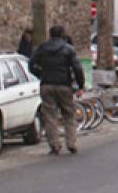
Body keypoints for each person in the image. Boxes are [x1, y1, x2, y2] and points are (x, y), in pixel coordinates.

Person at [29, 24, 86, 155]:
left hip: (46, 84)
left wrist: (40, 74)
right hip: (64, 84)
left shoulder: (42, 48)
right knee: (69, 114)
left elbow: (31, 64)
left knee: (50, 116)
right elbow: (77, 68)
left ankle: (54, 145)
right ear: (62, 34)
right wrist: (80, 84)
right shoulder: (68, 49)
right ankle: (71, 142)